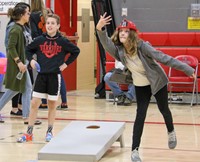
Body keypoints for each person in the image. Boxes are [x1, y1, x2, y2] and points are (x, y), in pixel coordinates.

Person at [96, 13, 196, 162]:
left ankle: (171, 131)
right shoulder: (120, 51)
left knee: (164, 110)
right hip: (140, 85)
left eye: (126, 31)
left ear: (132, 35)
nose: (122, 33)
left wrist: (188, 69)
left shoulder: (143, 47)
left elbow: (164, 58)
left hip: (157, 82)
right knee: (140, 116)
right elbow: (106, 44)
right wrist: (100, 29)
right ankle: (135, 151)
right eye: (121, 31)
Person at [17, 13, 80, 143]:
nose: (50, 25)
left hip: (54, 77)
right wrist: (32, 61)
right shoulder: (40, 39)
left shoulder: (62, 41)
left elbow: (76, 51)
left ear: (58, 26)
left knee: (52, 105)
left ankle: (49, 131)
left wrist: (66, 64)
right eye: (48, 23)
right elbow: (28, 50)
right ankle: (29, 133)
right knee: (34, 103)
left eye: (52, 23)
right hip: (41, 77)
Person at [30, 0, 68, 110]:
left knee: (42, 73)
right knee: (58, 74)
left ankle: (43, 102)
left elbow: (34, 33)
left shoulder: (33, 15)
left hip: (43, 45)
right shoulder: (49, 11)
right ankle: (64, 101)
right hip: (55, 44)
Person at [0, 3, 33, 124]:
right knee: (26, 88)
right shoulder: (14, 29)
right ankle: (27, 117)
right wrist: (19, 62)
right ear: (21, 15)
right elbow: (11, 47)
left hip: (22, 63)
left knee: (16, 90)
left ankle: (26, 116)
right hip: (17, 65)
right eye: (28, 13)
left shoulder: (22, 27)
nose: (29, 15)